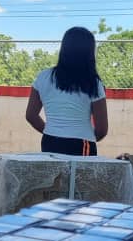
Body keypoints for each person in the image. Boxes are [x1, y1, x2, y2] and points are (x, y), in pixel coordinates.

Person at [25, 27, 108, 156]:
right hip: (82, 143)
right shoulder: (93, 82)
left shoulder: (44, 77)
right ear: (90, 52)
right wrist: (88, 137)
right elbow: (102, 129)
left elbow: (31, 115)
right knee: (79, 171)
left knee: (54, 170)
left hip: (49, 141)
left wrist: (52, 131)